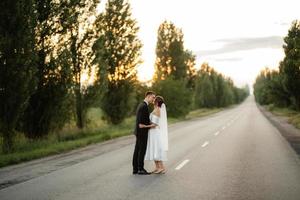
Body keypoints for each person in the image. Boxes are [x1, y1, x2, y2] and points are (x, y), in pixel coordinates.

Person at [132, 91, 156, 175]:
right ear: (148, 96)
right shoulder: (144, 106)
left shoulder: (141, 105)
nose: (154, 99)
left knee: (137, 150)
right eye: (153, 97)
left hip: (139, 132)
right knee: (141, 150)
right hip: (142, 132)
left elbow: (143, 120)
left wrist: (149, 123)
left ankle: (135, 169)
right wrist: (151, 126)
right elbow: (141, 124)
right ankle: (140, 169)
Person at [145, 96, 168, 174]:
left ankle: (162, 167)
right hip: (152, 132)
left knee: (156, 149)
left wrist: (144, 126)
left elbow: (154, 124)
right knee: (153, 149)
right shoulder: (155, 109)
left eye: (154, 100)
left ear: (157, 102)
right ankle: (157, 167)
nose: (153, 100)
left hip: (155, 132)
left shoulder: (158, 110)